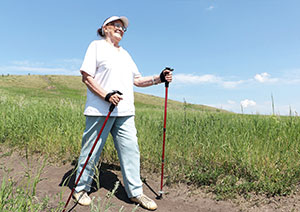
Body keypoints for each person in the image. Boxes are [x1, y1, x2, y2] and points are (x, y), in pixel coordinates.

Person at [73, 15, 173, 211]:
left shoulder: (126, 54)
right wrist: (106, 95)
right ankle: (80, 188)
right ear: (105, 28)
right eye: (117, 25)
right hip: (100, 110)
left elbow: (137, 80)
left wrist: (159, 78)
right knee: (91, 151)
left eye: (123, 28)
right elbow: (86, 76)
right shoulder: (96, 46)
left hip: (125, 111)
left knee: (131, 151)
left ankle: (136, 193)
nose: (121, 29)